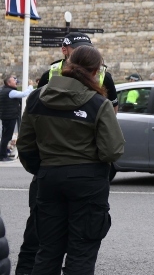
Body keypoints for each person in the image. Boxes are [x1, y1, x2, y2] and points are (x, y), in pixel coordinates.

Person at [16, 45, 125, 275]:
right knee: (81, 253)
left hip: (49, 178)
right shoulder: (98, 103)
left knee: (47, 251)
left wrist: (44, 166)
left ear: (67, 65)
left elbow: (25, 145)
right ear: (95, 72)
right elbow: (112, 151)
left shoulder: (37, 98)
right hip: (87, 180)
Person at [38, 34, 117, 103]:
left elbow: (112, 109)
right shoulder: (49, 75)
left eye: (87, 49)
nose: (83, 52)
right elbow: (37, 103)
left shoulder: (104, 76)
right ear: (64, 50)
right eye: (77, 49)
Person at [1, 75, 33, 162]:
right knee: (6, 137)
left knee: (5, 136)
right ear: (9, 83)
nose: (16, 81)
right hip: (10, 116)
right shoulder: (10, 92)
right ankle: (3, 156)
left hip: (6, 116)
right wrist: (30, 86)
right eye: (13, 80)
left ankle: (3, 154)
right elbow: (24, 94)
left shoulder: (3, 90)